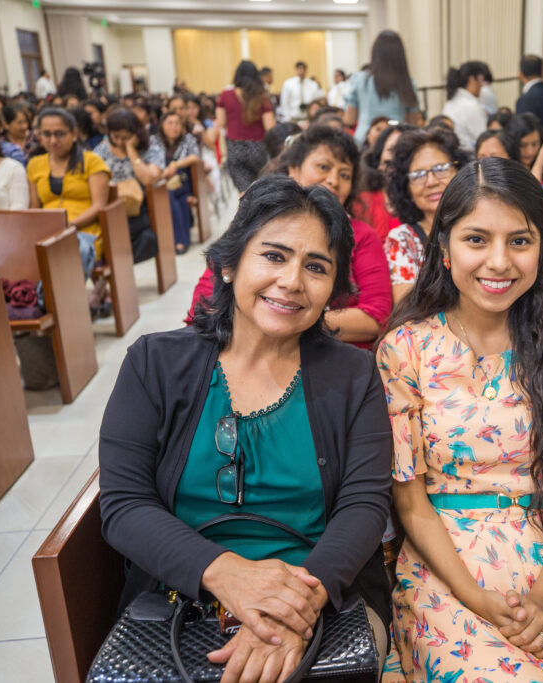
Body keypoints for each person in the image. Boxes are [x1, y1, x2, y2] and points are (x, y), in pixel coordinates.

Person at [100, 175, 393, 683]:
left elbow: (365, 505)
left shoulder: (353, 374)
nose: (293, 281)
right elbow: (124, 504)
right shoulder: (154, 363)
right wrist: (226, 575)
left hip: (323, 597)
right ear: (230, 264)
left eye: (316, 267)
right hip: (182, 598)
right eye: (274, 256)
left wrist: (295, 606)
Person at [376, 157, 543, 683]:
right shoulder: (405, 350)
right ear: (445, 249)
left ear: (542, 247)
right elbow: (411, 500)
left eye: (519, 241)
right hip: (447, 564)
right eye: (477, 239)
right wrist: (473, 596)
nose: (499, 261)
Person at [191, 126, 392, 350]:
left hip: (325, 358)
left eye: (344, 174)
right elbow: (204, 305)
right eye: (323, 167)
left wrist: (285, 319)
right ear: (294, 169)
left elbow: (376, 316)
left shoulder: (361, 235)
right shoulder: (256, 221)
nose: (334, 180)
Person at [27, 107, 110, 290]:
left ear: (73, 134)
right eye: (46, 134)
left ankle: (58, 301)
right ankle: (41, 300)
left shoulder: (91, 161)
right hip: (47, 233)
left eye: (60, 134)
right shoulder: (34, 164)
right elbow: (34, 209)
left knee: (73, 250)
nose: (53, 140)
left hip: (84, 231)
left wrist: (68, 225)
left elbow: (98, 206)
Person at [383, 126, 469, 302]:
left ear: (460, 172)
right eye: (419, 174)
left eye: (440, 169)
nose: (431, 181)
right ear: (406, 188)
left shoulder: (482, 224)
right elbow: (407, 305)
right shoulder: (403, 240)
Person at [94, 108, 165, 263]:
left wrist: (131, 150)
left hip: (138, 209)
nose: (120, 142)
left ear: (136, 133)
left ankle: (113, 262)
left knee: (135, 234)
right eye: (116, 137)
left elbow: (149, 178)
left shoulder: (150, 146)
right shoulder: (102, 150)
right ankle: (112, 262)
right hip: (109, 205)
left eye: (125, 137)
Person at [344, 31, 423, 145]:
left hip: (365, 141)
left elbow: (349, 119)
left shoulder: (360, 80)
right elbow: (413, 122)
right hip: (395, 142)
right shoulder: (407, 83)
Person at [214, 61, 275, 193]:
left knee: (244, 192)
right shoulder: (262, 95)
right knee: (260, 189)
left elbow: (221, 121)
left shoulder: (226, 95)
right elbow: (270, 127)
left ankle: (245, 211)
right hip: (257, 148)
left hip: (235, 147)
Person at [353, 121, 414, 241]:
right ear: (378, 159)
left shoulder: (425, 203)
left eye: (406, 152)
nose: (398, 158)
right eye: (391, 150)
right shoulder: (362, 203)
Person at [156, 111, 201, 254]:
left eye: (177, 123)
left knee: (175, 196)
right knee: (172, 196)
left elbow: (195, 156)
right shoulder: (154, 140)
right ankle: (180, 239)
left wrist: (174, 165)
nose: (173, 127)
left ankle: (180, 240)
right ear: (162, 125)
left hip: (181, 180)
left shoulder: (187, 139)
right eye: (170, 123)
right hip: (160, 180)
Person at [441, 61, 489, 149]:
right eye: (481, 80)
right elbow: (484, 138)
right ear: (471, 79)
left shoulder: (450, 103)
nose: (482, 86)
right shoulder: (471, 105)